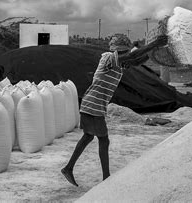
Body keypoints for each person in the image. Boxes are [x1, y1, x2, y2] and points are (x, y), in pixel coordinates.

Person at [61, 33, 168, 186]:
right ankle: (106, 178)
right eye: (125, 52)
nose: (127, 55)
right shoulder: (109, 58)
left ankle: (68, 168)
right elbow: (134, 56)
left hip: (93, 104)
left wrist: (155, 51)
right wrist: (153, 44)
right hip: (93, 104)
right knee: (103, 140)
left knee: (89, 136)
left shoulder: (119, 63)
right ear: (119, 51)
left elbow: (136, 60)